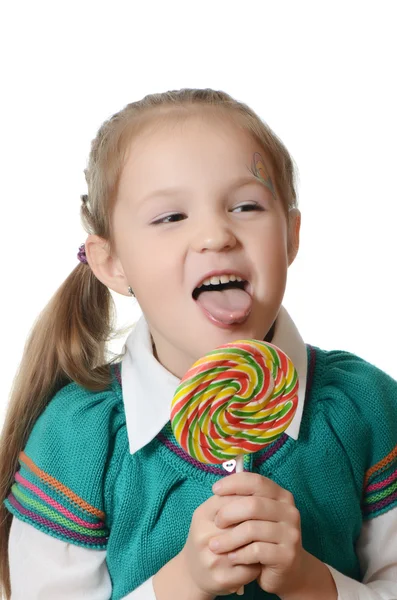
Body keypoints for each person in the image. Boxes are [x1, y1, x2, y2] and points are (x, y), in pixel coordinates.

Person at [0, 88, 396, 600]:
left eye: (246, 205)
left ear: (291, 236)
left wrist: (310, 584)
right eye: (170, 217)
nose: (216, 235)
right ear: (111, 262)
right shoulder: (79, 440)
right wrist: (180, 584)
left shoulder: (365, 408)